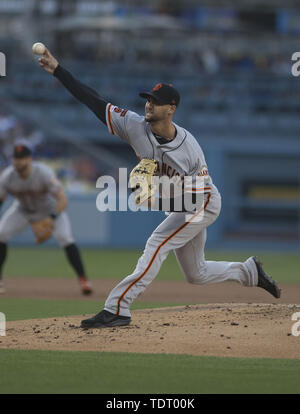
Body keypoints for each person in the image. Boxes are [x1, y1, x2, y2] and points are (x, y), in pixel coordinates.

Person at [38, 48, 281, 329]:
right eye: (148, 100)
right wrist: (58, 70)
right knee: (196, 273)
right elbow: (92, 100)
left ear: (172, 108)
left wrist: (152, 198)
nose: (149, 105)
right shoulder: (133, 125)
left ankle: (118, 307)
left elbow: (194, 199)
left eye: (157, 101)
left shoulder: (189, 149)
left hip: (202, 202)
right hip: (180, 198)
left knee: (157, 244)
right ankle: (248, 272)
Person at [0, 143, 92, 295]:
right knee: (1, 234)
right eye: (16, 158)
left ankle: (84, 280)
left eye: (21, 158)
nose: (18, 162)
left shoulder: (44, 173)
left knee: (66, 238)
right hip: (23, 211)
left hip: (50, 210)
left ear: (29, 159)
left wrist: (51, 218)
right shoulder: (7, 176)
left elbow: (63, 200)